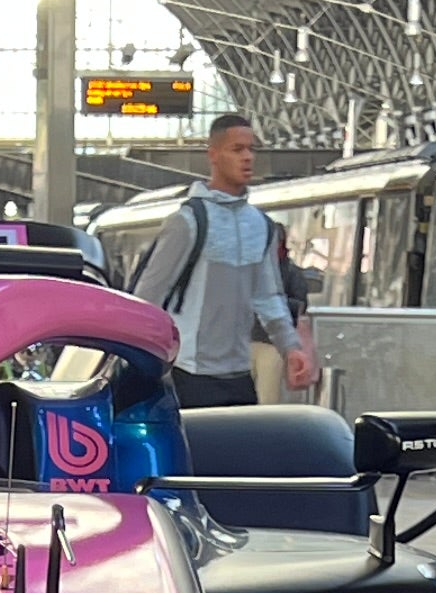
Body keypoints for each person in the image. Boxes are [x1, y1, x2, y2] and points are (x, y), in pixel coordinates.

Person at [123, 112, 313, 410]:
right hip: (187, 372)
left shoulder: (261, 226)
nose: (248, 157)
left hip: (239, 375)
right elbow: (148, 298)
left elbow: (268, 298)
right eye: (237, 149)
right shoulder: (187, 222)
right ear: (213, 155)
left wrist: (292, 348)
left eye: (252, 149)